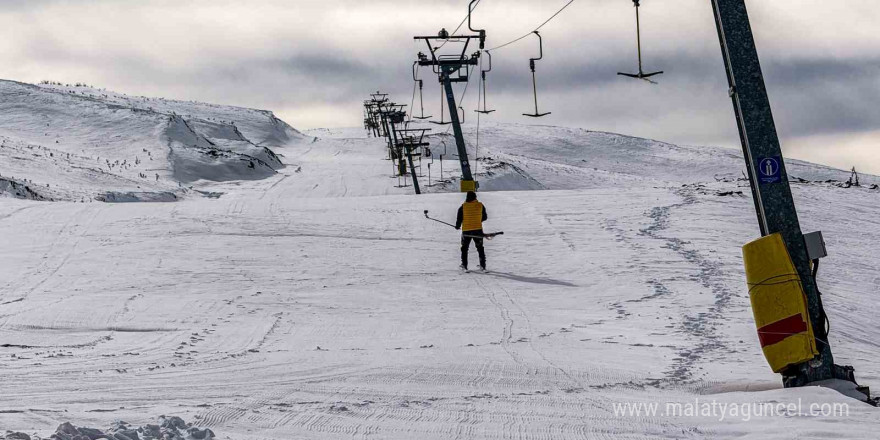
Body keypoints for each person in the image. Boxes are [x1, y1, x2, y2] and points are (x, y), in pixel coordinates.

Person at [455, 191, 488, 271]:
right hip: (478, 230)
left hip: (466, 231)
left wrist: (457, 226)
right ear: (475, 197)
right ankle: (482, 266)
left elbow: (459, 218)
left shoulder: (463, 206)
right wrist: (477, 220)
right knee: (480, 248)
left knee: (464, 248)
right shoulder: (480, 205)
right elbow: (485, 217)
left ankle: (464, 265)